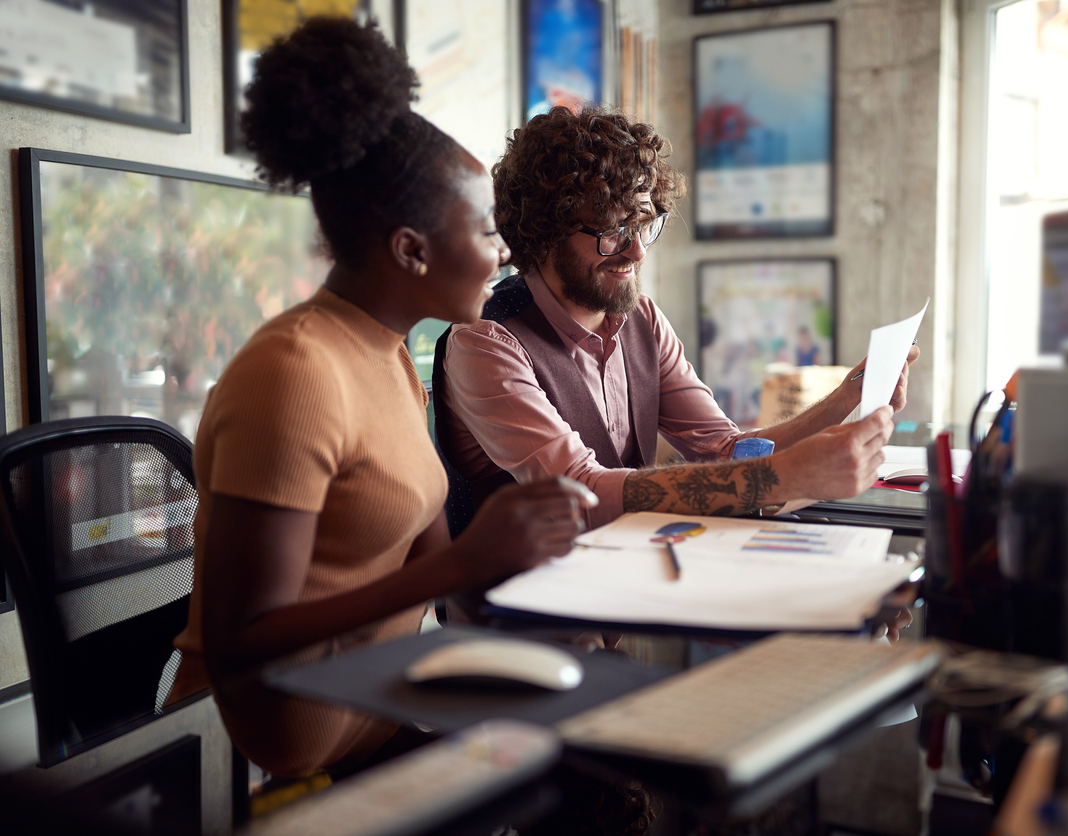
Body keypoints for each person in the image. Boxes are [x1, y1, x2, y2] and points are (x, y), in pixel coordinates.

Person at [165, 19, 593, 779]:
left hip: (380, 714)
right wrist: (468, 562)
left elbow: (436, 564)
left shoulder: (395, 353)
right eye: (488, 232)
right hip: (264, 769)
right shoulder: (295, 373)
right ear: (410, 249)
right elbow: (242, 640)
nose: (503, 253)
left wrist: (542, 562)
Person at [434, 105, 919, 537]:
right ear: (543, 230)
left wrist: (848, 395)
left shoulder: (641, 318)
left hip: (624, 590)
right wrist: (780, 477)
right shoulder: (485, 341)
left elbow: (724, 451)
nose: (637, 249)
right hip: (515, 614)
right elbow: (580, 492)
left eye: (644, 222)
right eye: (613, 229)